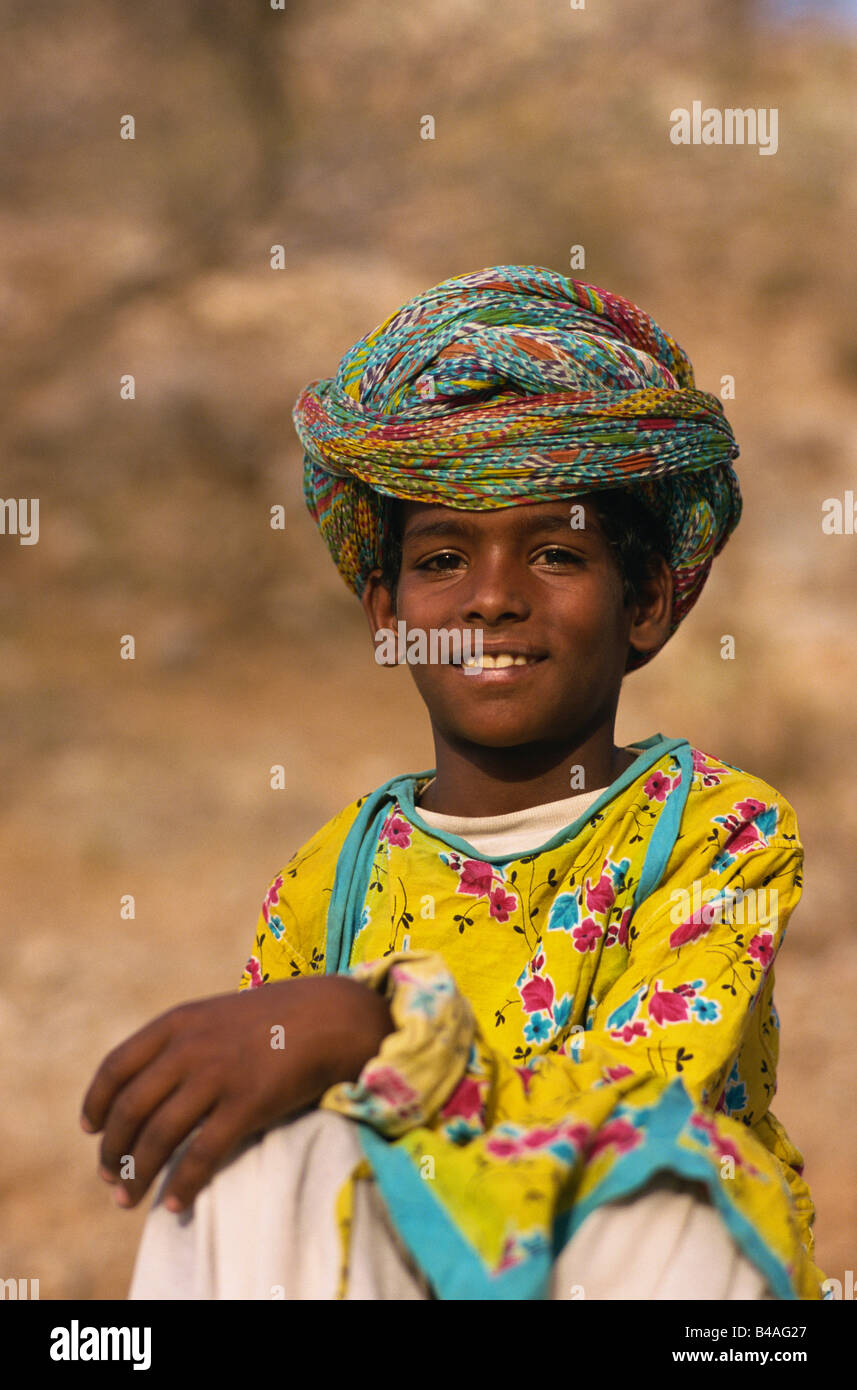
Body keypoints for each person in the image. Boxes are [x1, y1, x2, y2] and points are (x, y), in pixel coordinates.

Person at [81, 265, 828, 1300]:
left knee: (679, 1191)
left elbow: (651, 1094)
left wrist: (378, 1026)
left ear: (646, 601)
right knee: (248, 1165)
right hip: (409, 1269)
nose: (490, 599)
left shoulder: (716, 830)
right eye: (441, 559)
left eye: (555, 554)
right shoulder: (330, 879)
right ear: (386, 616)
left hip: (612, 1269)